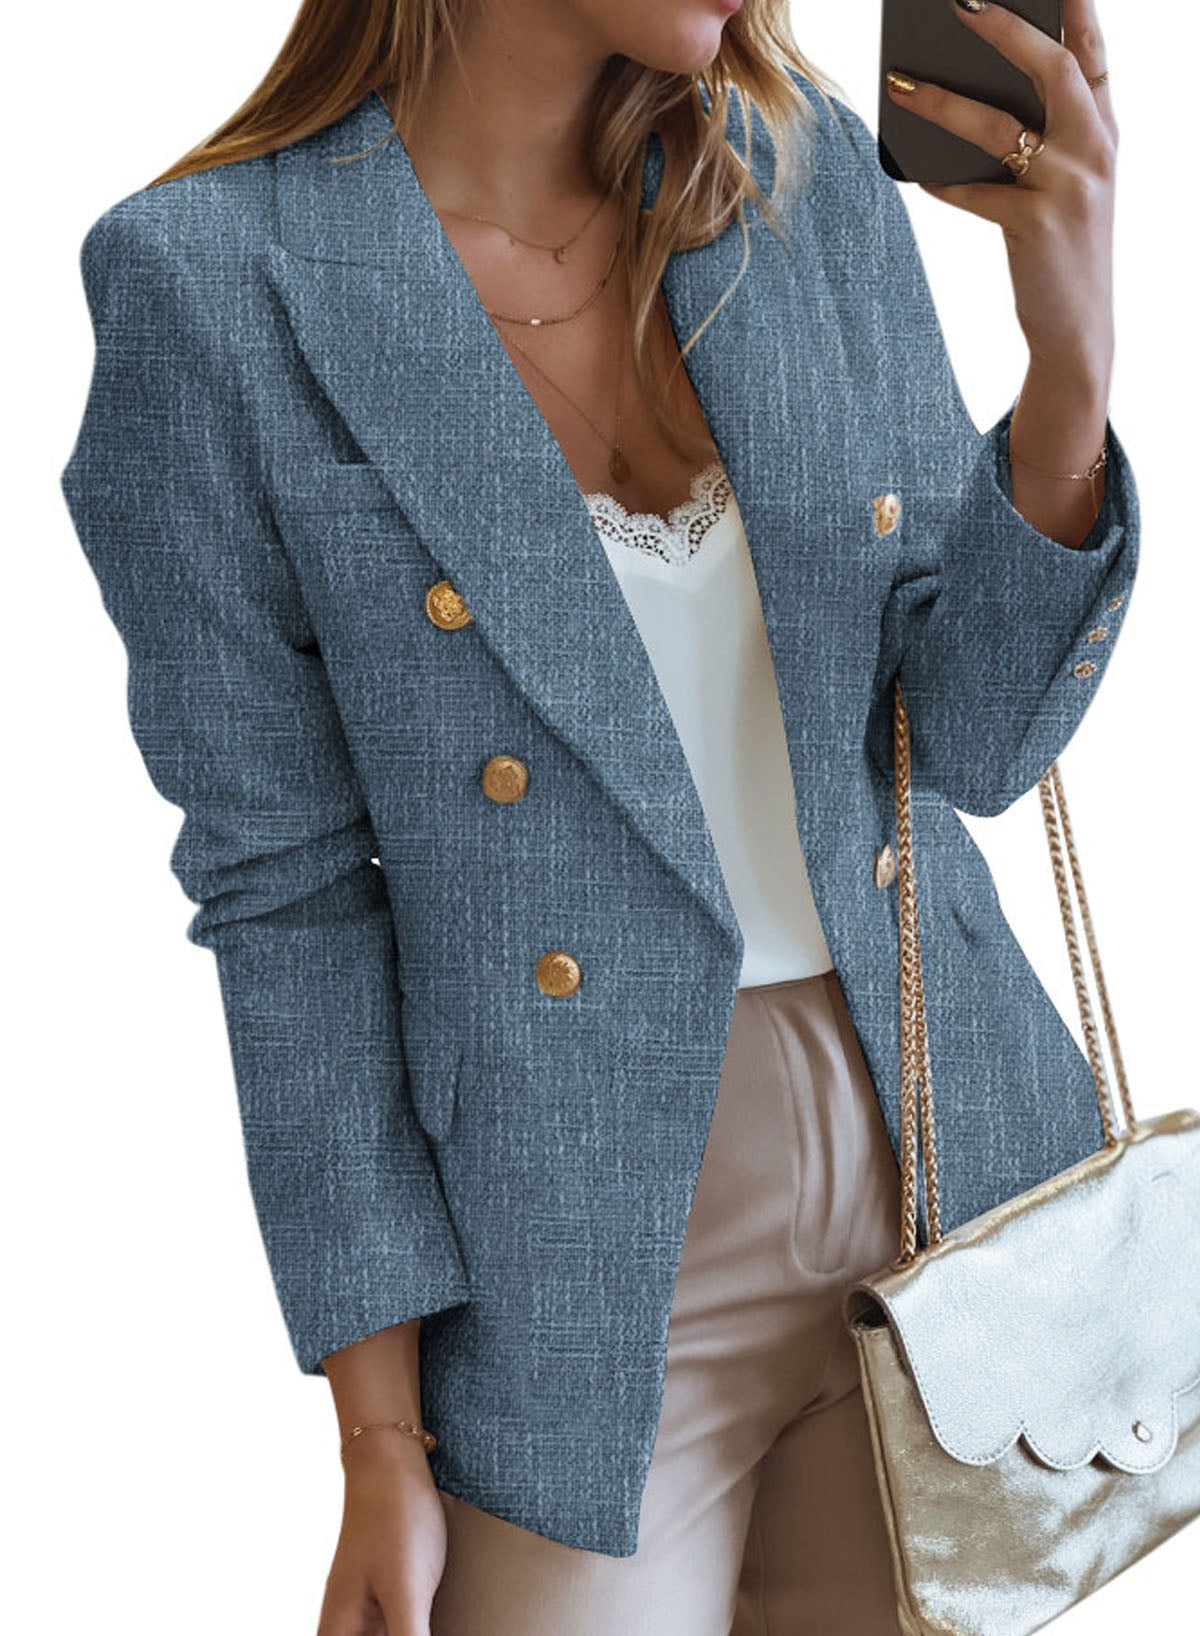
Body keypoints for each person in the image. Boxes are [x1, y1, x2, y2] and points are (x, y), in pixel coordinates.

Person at [60, 1, 1138, 1631]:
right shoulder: (211, 282)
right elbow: (287, 896)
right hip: (567, 1248)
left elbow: (973, 745)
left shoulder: (799, 182)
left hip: (939, 1175)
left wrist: (1069, 363)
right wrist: (378, 1439)